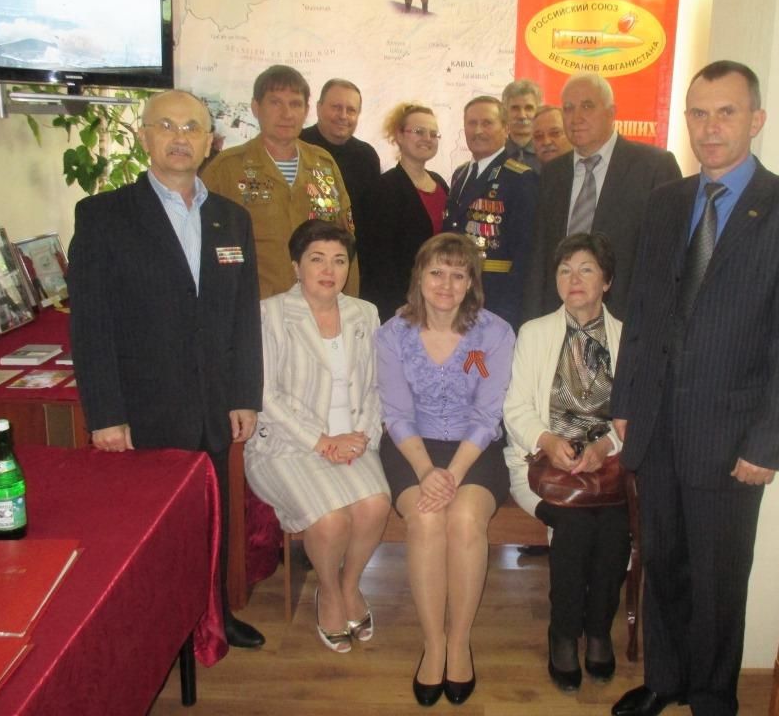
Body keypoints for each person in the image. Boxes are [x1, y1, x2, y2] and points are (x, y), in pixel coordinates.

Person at [609, 61, 779, 716]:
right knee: (662, 563)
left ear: (756, 119)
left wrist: (769, 442)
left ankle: (712, 697)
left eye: (726, 112)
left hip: (734, 436)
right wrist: (626, 403)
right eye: (698, 113)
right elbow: (643, 311)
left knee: (718, 579)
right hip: (656, 425)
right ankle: (665, 679)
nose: (710, 128)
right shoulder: (665, 202)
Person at [68, 89, 265, 649]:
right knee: (152, 534)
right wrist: (105, 415)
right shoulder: (104, 216)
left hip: (213, 407)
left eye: (192, 127)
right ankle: (158, 634)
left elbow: (242, 317)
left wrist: (245, 394)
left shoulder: (231, 219)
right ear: (144, 137)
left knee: (213, 520)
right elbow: (91, 326)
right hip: (142, 411)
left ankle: (215, 616)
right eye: (167, 126)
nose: (180, 138)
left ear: (211, 142)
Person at [375, 233, 514, 707]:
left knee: (466, 519)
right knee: (427, 518)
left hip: (474, 449)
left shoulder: (493, 334)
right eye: (437, 271)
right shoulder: (392, 335)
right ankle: (433, 643)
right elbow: (396, 414)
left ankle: (459, 641)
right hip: (409, 446)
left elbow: (487, 415)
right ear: (419, 276)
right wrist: (425, 470)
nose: (446, 284)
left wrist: (450, 472)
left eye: (459, 274)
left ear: (471, 282)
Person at [245, 219, 390, 654]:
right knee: (331, 520)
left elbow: (377, 384)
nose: (329, 270)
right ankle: (327, 591)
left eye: (339, 260)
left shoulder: (364, 313)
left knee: (375, 506)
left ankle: (350, 584)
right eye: (317, 259)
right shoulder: (269, 314)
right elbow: (264, 394)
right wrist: (321, 441)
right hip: (286, 445)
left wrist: (361, 435)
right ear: (296, 266)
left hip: (352, 438)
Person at [504, 232, 631, 693]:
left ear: (607, 281)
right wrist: (548, 439)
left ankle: (597, 632)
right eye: (564, 270)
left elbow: (634, 414)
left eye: (586, 269)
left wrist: (604, 448)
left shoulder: (628, 337)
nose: (573, 278)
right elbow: (515, 407)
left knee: (615, 525)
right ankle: (563, 633)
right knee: (576, 524)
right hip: (543, 467)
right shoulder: (534, 333)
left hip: (608, 468)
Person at [524, 73, 681, 323]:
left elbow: (668, 260)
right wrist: (532, 320)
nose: (576, 117)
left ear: (611, 112)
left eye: (587, 106)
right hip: (558, 320)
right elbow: (539, 257)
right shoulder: (553, 173)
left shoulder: (654, 167)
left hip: (625, 322)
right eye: (568, 108)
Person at [202, 65, 359, 300]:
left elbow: (346, 241)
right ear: (256, 107)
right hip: (256, 307)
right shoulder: (226, 169)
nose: (287, 114)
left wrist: (349, 304)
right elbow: (207, 246)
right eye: (275, 102)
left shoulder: (324, 164)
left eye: (295, 104)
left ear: (306, 111)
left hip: (319, 307)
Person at [443, 95, 538, 330]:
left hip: (494, 298)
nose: (478, 131)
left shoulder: (519, 178)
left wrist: (508, 310)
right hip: (452, 294)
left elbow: (525, 253)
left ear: (505, 129)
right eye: (472, 123)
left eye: (487, 123)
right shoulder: (460, 174)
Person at [361, 102, 449, 322]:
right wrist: (400, 305)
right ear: (399, 136)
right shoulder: (384, 188)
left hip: (440, 297)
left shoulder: (440, 184)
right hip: (400, 304)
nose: (427, 138)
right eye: (419, 131)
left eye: (433, 134)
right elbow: (378, 259)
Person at [300, 79, 382, 279]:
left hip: (351, 267)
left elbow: (371, 223)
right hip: (303, 265)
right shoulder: (297, 146)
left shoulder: (367, 156)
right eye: (336, 107)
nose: (343, 116)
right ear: (318, 108)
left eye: (351, 110)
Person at [502, 79, 544, 172]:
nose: (522, 115)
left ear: (538, 112)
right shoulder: (495, 153)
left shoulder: (549, 154)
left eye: (529, 108)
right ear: (505, 112)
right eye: (515, 108)